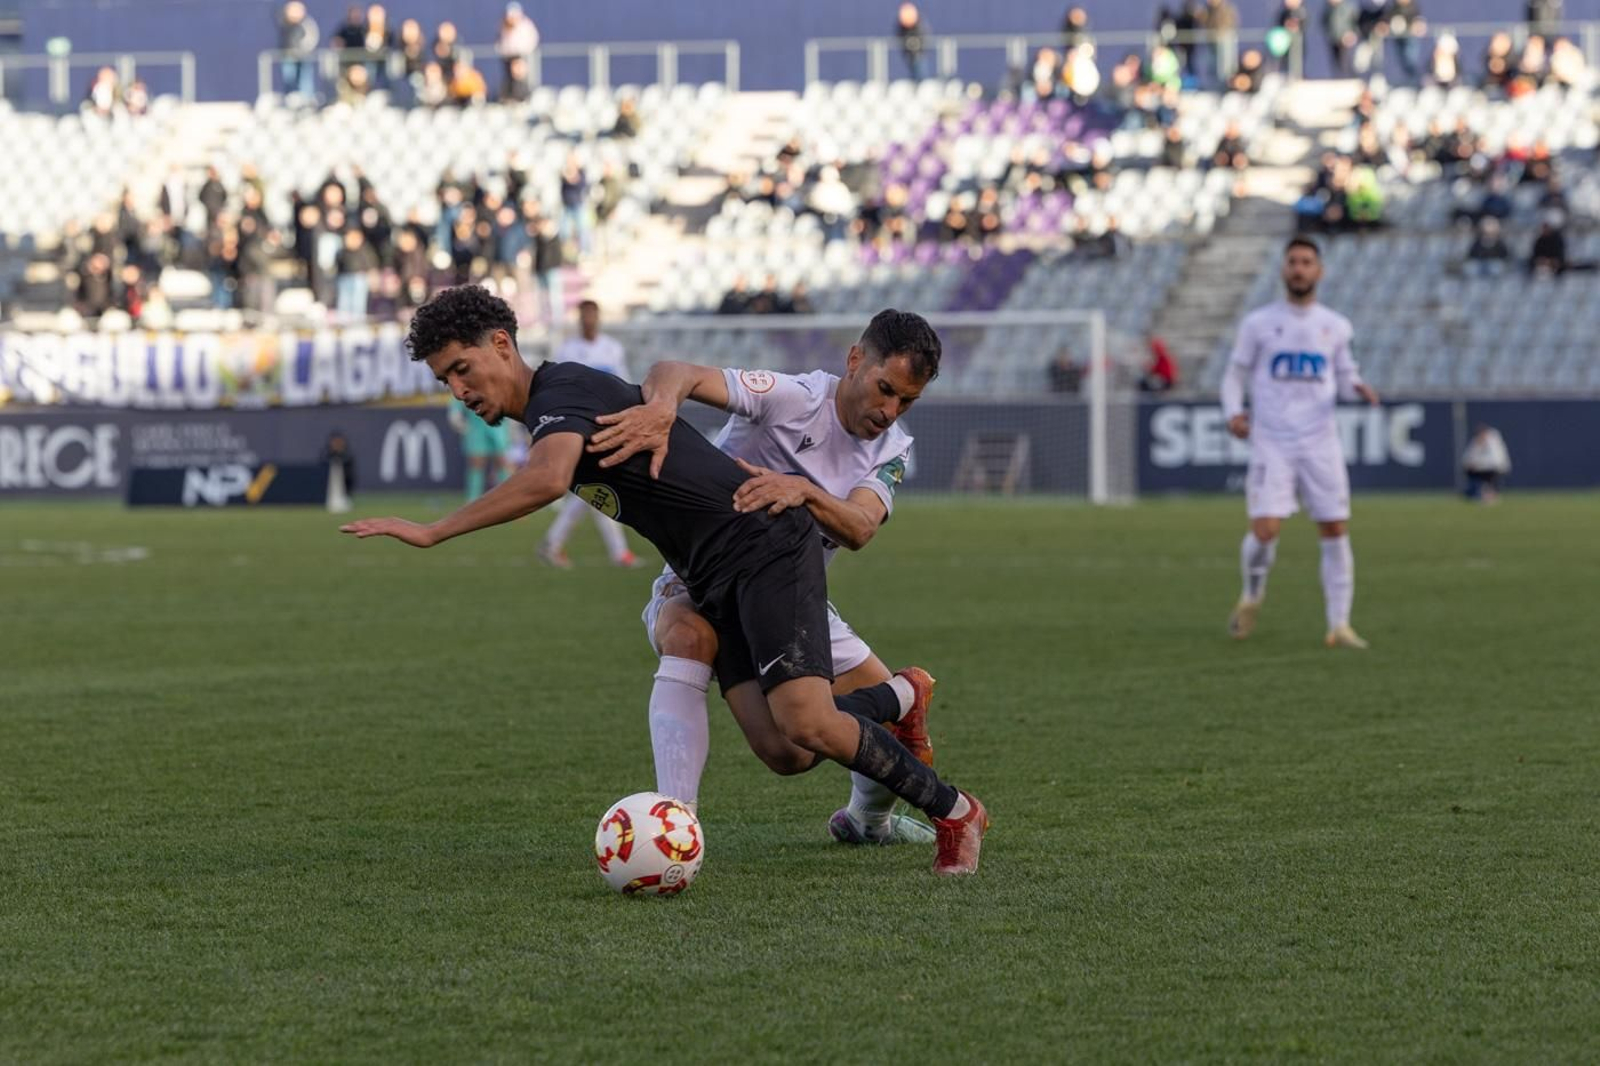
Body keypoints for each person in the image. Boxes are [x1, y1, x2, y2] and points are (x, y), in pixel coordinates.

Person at [340, 286, 989, 876]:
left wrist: (431, 531)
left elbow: (545, 478)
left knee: (807, 721)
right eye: (444, 377)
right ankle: (897, 697)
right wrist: (660, 405)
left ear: (502, 346)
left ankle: (955, 811)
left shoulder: (559, 392)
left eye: (462, 368)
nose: (458, 387)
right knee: (782, 748)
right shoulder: (559, 402)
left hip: (763, 543)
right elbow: (664, 379)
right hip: (709, 569)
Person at [590, 312, 934, 844]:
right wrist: (660, 409)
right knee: (691, 640)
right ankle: (675, 824)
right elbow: (676, 370)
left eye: (906, 402)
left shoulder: (893, 449)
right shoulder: (793, 398)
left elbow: (861, 527)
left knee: (858, 727)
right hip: (703, 581)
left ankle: (867, 822)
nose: (889, 411)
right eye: (885, 389)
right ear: (855, 360)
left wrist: (803, 490)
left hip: (792, 599)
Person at [1221, 236, 1380, 649]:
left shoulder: (1335, 326)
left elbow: (1344, 378)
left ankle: (1339, 625)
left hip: (1320, 442)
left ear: (1319, 271)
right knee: (1266, 528)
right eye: (1293, 261)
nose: (1299, 269)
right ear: (1283, 270)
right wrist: (1233, 412)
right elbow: (1234, 376)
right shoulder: (1258, 324)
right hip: (1271, 440)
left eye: (1307, 262)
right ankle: (1252, 593)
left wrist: (1358, 387)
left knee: (1334, 527)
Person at [539, 300, 641, 569]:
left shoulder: (612, 349)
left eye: (592, 316)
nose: (588, 321)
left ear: (598, 318)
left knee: (594, 491)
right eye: (584, 317)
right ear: (579, 319)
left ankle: (554, 543)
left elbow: (624, 385)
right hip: (581, 427)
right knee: (598, 488)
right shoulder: (568, 350)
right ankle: (618, 554)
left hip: (608, 426)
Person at [450, 396, 511, 501]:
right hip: (476, 429)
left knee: (502, 462)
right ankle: (473, 500)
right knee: (477, 463)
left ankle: (509, 498)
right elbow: (455, 411)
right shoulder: (465, 387)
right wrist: (464, 427)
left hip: (498, 426)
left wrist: (512, 428)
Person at [278, 1, 320, 101]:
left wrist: (303, 49)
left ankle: (306, 100)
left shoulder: (307, 23)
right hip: (288, 56)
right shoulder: (285, 23)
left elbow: (312, 38)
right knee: (289, 79)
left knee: (305, 80)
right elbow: (284, 39)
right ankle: (290, 100)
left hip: (304, 56)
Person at [1462, 424, 1510, 503]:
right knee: (1471, 473)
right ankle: (1475, 492)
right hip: (1479, 470)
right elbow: (1467, 459)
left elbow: (1496, 461)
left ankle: (1490, 494)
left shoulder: (1494, 442)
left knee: (1491, 477)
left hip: (1493, 470)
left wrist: (1479, 464)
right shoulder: (1475, 442)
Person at [895, 3, 929, 80]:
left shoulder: (919, 27)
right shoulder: (903, 29)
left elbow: (923, 37)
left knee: (921, 74)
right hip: (909, 55)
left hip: (919, 54)